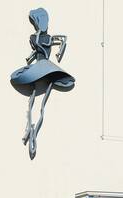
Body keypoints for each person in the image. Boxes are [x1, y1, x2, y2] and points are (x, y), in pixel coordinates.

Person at [8, 8, 75, 160]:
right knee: (34, 99)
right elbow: (58, 40)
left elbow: (61, 39)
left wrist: (60, 48)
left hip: (44, 66)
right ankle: (30, 129)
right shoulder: (37, 37)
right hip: (42, 66)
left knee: (40, 101)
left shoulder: (40, 38)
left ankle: (33, 131)